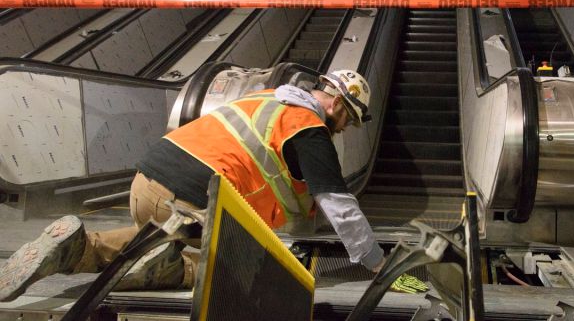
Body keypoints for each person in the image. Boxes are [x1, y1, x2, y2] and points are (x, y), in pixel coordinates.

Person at [0, 69, 385, 302]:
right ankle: (168, 267)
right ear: (339, 106)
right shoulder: (310, 129)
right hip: (192, 202)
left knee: (150, 235)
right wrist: (374, 261)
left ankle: (76, 246)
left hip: (145, 185)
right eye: (348, 122)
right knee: (242, 271)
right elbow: (338, 204)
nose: (343, 129)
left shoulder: (268, 98)